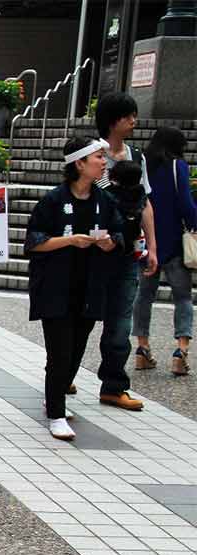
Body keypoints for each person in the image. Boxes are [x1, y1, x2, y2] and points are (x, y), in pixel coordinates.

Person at [25, 137, 123, 440]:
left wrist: (110, 242)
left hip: (90, 287)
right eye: (98, 157)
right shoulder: (54, 200)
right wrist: (71, 240)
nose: (104, 162)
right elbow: (34, 242)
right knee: (59, 352)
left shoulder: (105, 200)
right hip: (56, 287)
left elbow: (120, 234)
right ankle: (56, 414)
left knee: (77, 349)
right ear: (79, 163)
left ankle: (54, 397)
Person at [93, 93, 158, 412]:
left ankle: (114, 386)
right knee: (80, 318)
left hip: (127, 253)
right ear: (112, 120)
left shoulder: (137, 156)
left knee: (120, 322)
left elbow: (145, 203)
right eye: (128, 116)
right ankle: (62, 376)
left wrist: (152, 246)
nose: (134, 121)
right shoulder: (92, 154)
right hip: (93, 252)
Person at [134, 126, 197, 376]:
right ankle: (181, 351)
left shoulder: (143, 165)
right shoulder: (177, 166)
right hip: (173, 243)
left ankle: (142, 348)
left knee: (144, 295)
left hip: (146, 240)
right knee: (182, 297)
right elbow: (185, 203)